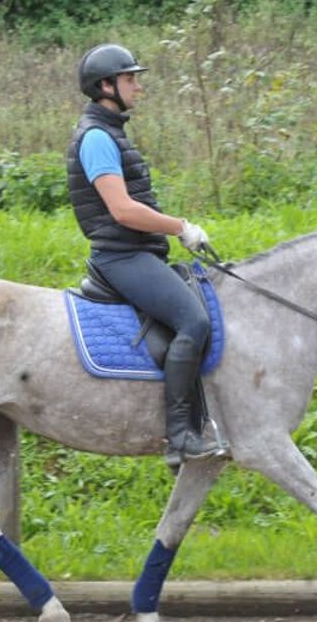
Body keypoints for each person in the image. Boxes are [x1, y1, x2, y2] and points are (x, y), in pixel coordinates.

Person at [66, 43, 224, 469]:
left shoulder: (111, 130)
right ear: (106, 86)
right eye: (130, 78)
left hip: (137, 251)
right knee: (193, 320)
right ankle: (179, 437)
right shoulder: (97, 137)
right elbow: (122, 210)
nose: (138, 86)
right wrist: (180, 226)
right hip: (121, 257)